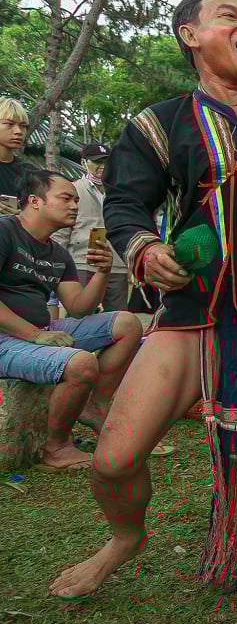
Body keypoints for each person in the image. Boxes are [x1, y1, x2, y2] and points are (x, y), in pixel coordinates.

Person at [48, 0, 237, 624]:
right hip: (192, 314)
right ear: (189, 36)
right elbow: (125, 205)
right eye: (230, 16)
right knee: (113, 461)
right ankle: (125, 536)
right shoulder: (159, 123)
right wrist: (148, 250)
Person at [0, 168, 141, 468]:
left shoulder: (58, 253)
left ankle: (94, 404)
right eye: (66, 198)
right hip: (7, 338)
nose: (75, 206)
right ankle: (56, 447)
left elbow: (77, 307)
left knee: (128, 324)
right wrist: (35, 335)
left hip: (40, 329)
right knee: (80, 362)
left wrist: (102, 274)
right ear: (35, 201)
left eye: (77, 200)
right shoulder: (5, 232)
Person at [51, 144, 130, 311]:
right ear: (84, 162)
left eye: (106, 161)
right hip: (80, 263)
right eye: (96, 161)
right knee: (78, 315)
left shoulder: (121, 191)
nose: (102, 166)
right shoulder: (73, 190)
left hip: (116, 263)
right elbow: (62, 230)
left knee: (117, 315)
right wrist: (56, 264)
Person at [0, 97, 36, 209]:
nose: (18, 132)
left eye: (23, 126)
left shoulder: (30, 172)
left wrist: (21, 217)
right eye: (9, 124)